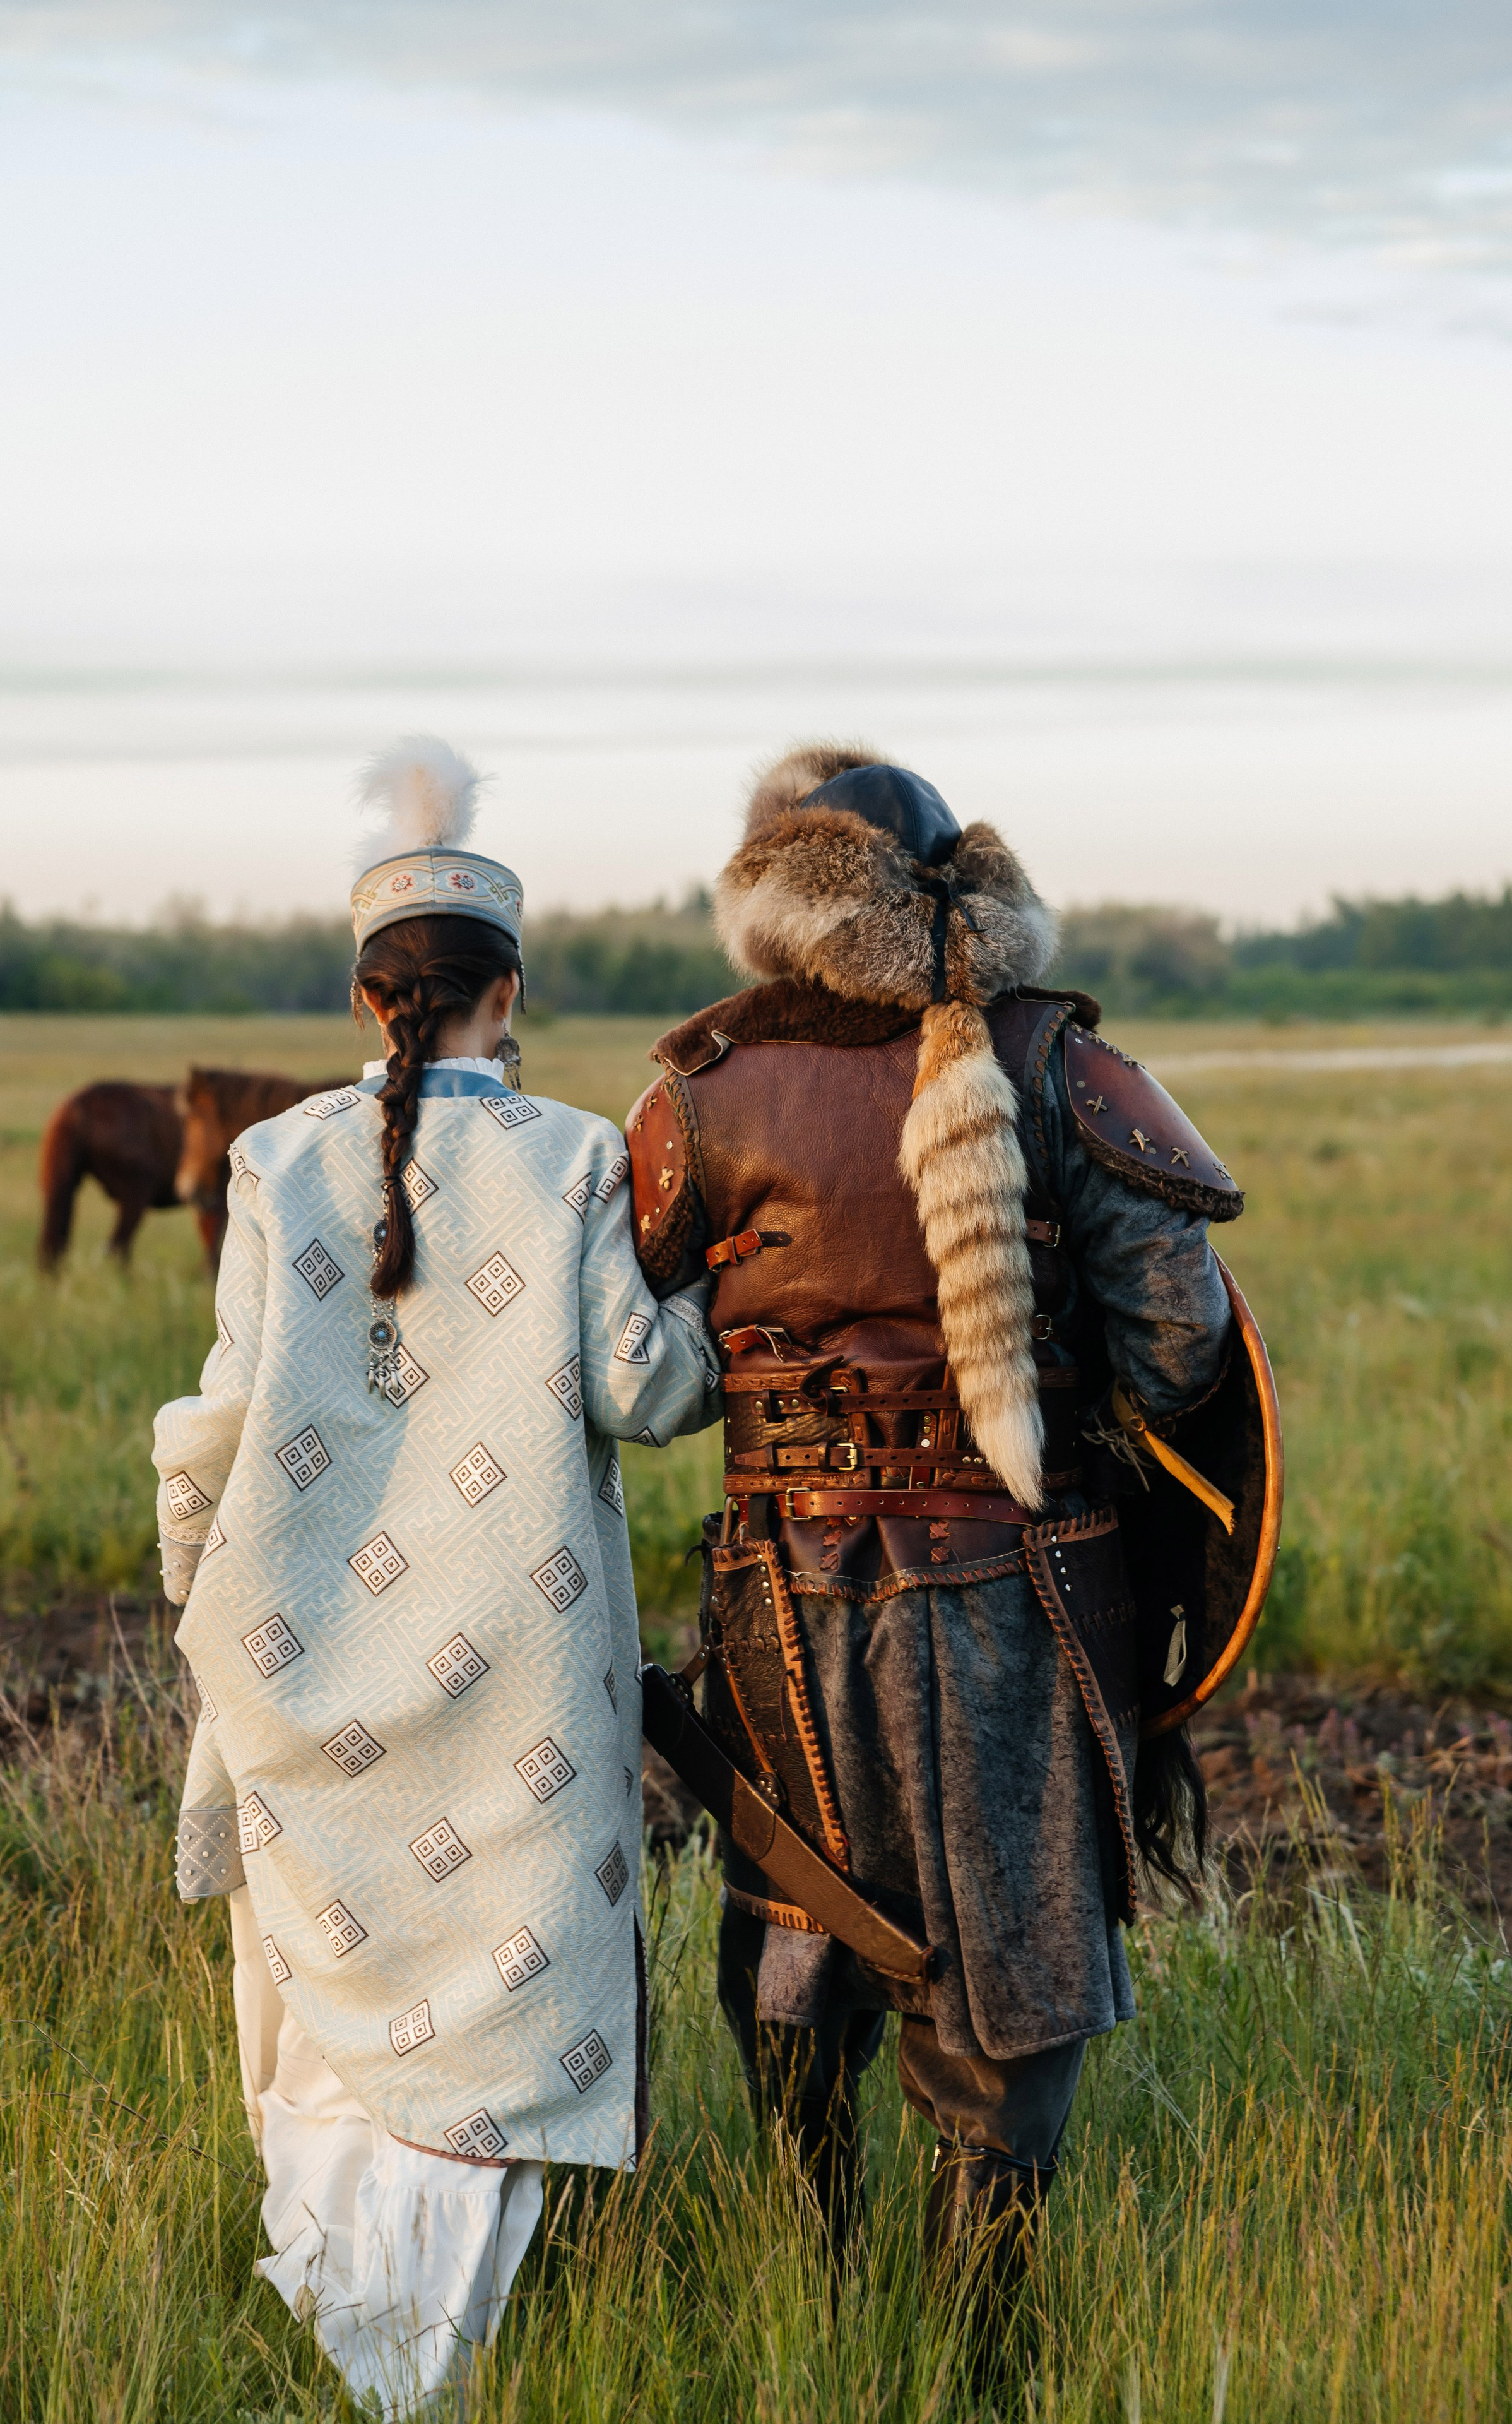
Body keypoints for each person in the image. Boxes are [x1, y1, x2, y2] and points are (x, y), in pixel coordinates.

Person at [625, 744, 1241, 2365]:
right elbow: (1180, 1344)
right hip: (1015, 1588)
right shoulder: (1054, 1061)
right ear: (951, 892)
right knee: (1011, 1946)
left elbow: (635, 1360)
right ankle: (984, 2361)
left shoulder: (692, 1087)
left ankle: (809, 2314)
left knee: (796, 1923)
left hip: (780, 1583)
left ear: (773, 905)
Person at [154, 738, 721, 2415]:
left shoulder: (270, 1164)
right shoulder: (574, 1158)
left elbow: (226, 1411)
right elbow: (647, 1391)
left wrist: (209, 1605)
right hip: (522, 1664)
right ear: (509, 992)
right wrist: (726, 1300)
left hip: (301, 1653)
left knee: (334, 1972)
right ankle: (433, 2360)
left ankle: (371, 2346)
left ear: (361, 998)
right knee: (510, 1973)